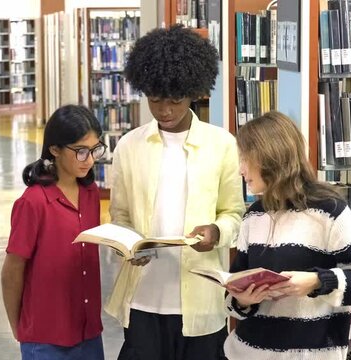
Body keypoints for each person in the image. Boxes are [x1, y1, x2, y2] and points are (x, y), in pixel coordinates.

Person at [105, 24, 245, 360]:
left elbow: (234, 214)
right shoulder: (129, 146)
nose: (165, 110)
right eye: (155, 100)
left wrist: (217, 231)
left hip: (201, 300)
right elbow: (119, 216)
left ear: (194, 92)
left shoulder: (221, 144)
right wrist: (126, 246)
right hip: (142, 298)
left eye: (175, 100)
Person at [224, 111, 351, 359]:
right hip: (246, 352)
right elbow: (233, 296)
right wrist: (242, 300)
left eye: (245, 159)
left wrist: (317, 282)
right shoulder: (253, 216)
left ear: (269, 158)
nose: (241, 169)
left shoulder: (330, 212)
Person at [1, 104, 108, 360]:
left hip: (89, 332)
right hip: (46, 338)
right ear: (55, 149)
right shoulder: (33, 203)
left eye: (95, 150)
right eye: (81, 151)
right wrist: (19, 327)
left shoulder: (91, 194)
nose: (90, 160)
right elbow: (13, 269)